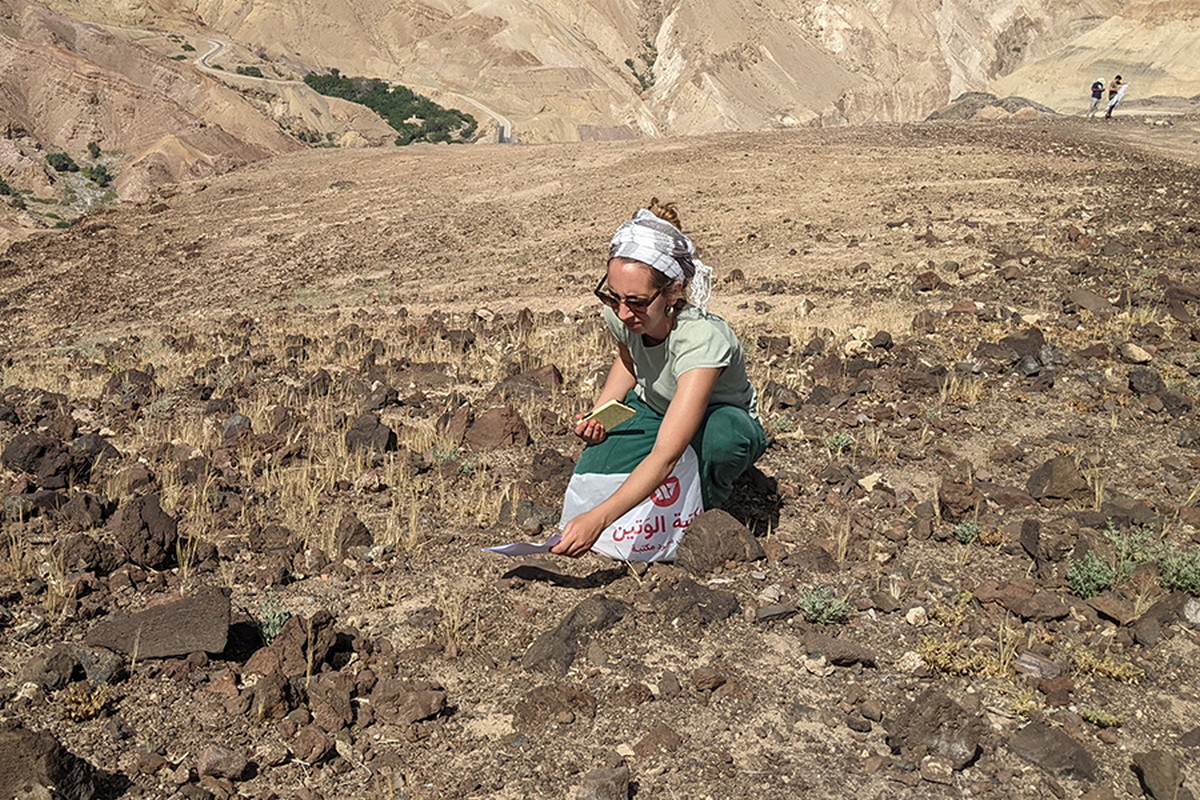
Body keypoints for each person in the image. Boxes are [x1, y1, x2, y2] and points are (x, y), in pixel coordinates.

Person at [550, 199, 767, 558]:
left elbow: (666, 454)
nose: (622, 312)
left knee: (720, 438)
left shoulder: (701, 339)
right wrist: (602, 410)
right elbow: (629, 359)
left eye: (636, 301)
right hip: (655, 408)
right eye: (613, 297)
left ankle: (710, 510)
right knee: (597, 465)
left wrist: (600, 519)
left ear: (673, 292)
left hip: (718, 420)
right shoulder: (622, 314)